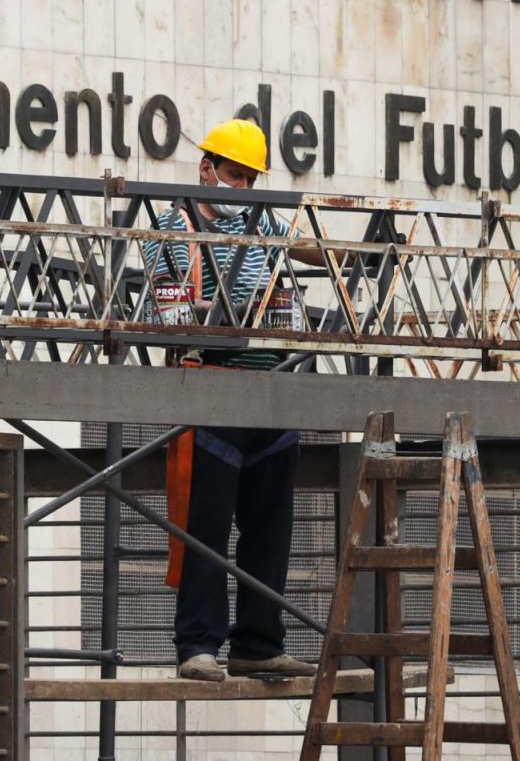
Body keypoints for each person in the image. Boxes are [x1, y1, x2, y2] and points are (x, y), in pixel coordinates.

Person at [144, 117, 324, 682]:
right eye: (234, 176)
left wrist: (353, 256)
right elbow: (170, 314)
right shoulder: (171, 231)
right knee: (207, 531)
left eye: (251, 180)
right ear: (207, 170)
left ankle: (259, 643)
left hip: (270, 394)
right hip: (211, 391)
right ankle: (198, 645)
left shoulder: (265, 221)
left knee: (270, 531)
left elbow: (309, 250)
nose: (242, 190)